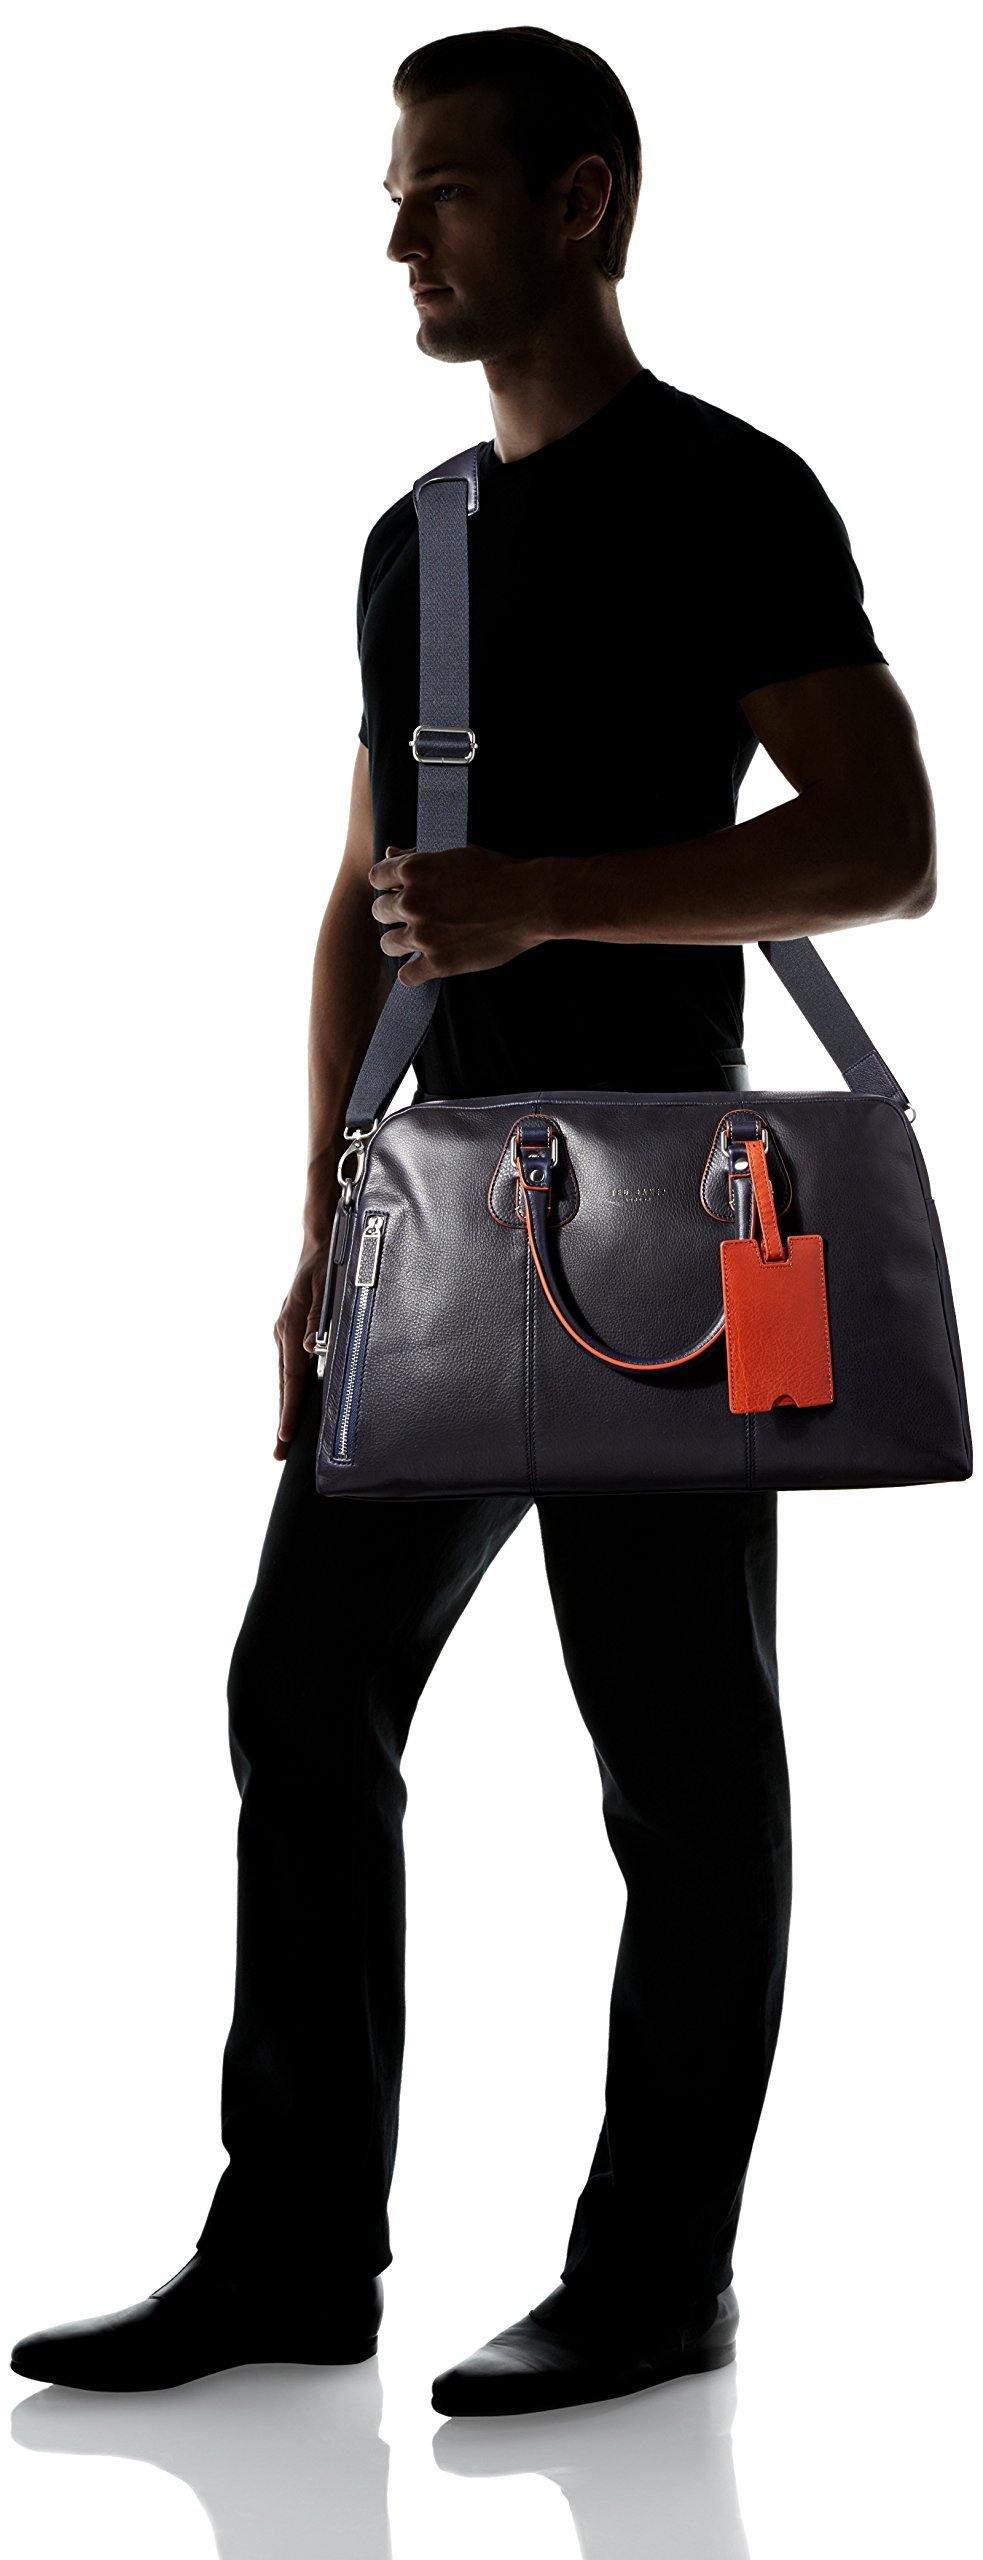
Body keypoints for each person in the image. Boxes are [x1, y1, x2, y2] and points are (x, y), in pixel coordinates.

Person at [11, 28, 935, 2412]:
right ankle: (294, 2249)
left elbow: (884, 845)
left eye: (438, 189)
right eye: (394, 192)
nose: (397, 232)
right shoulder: (414, 536)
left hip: (670, 1218)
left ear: (581, 200)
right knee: (296, 1691)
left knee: (681, 1759)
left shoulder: (734, 491)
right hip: (433, 1213)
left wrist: (556, 895)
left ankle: (657, 2278)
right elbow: (361, 896)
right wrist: (324, 1232)